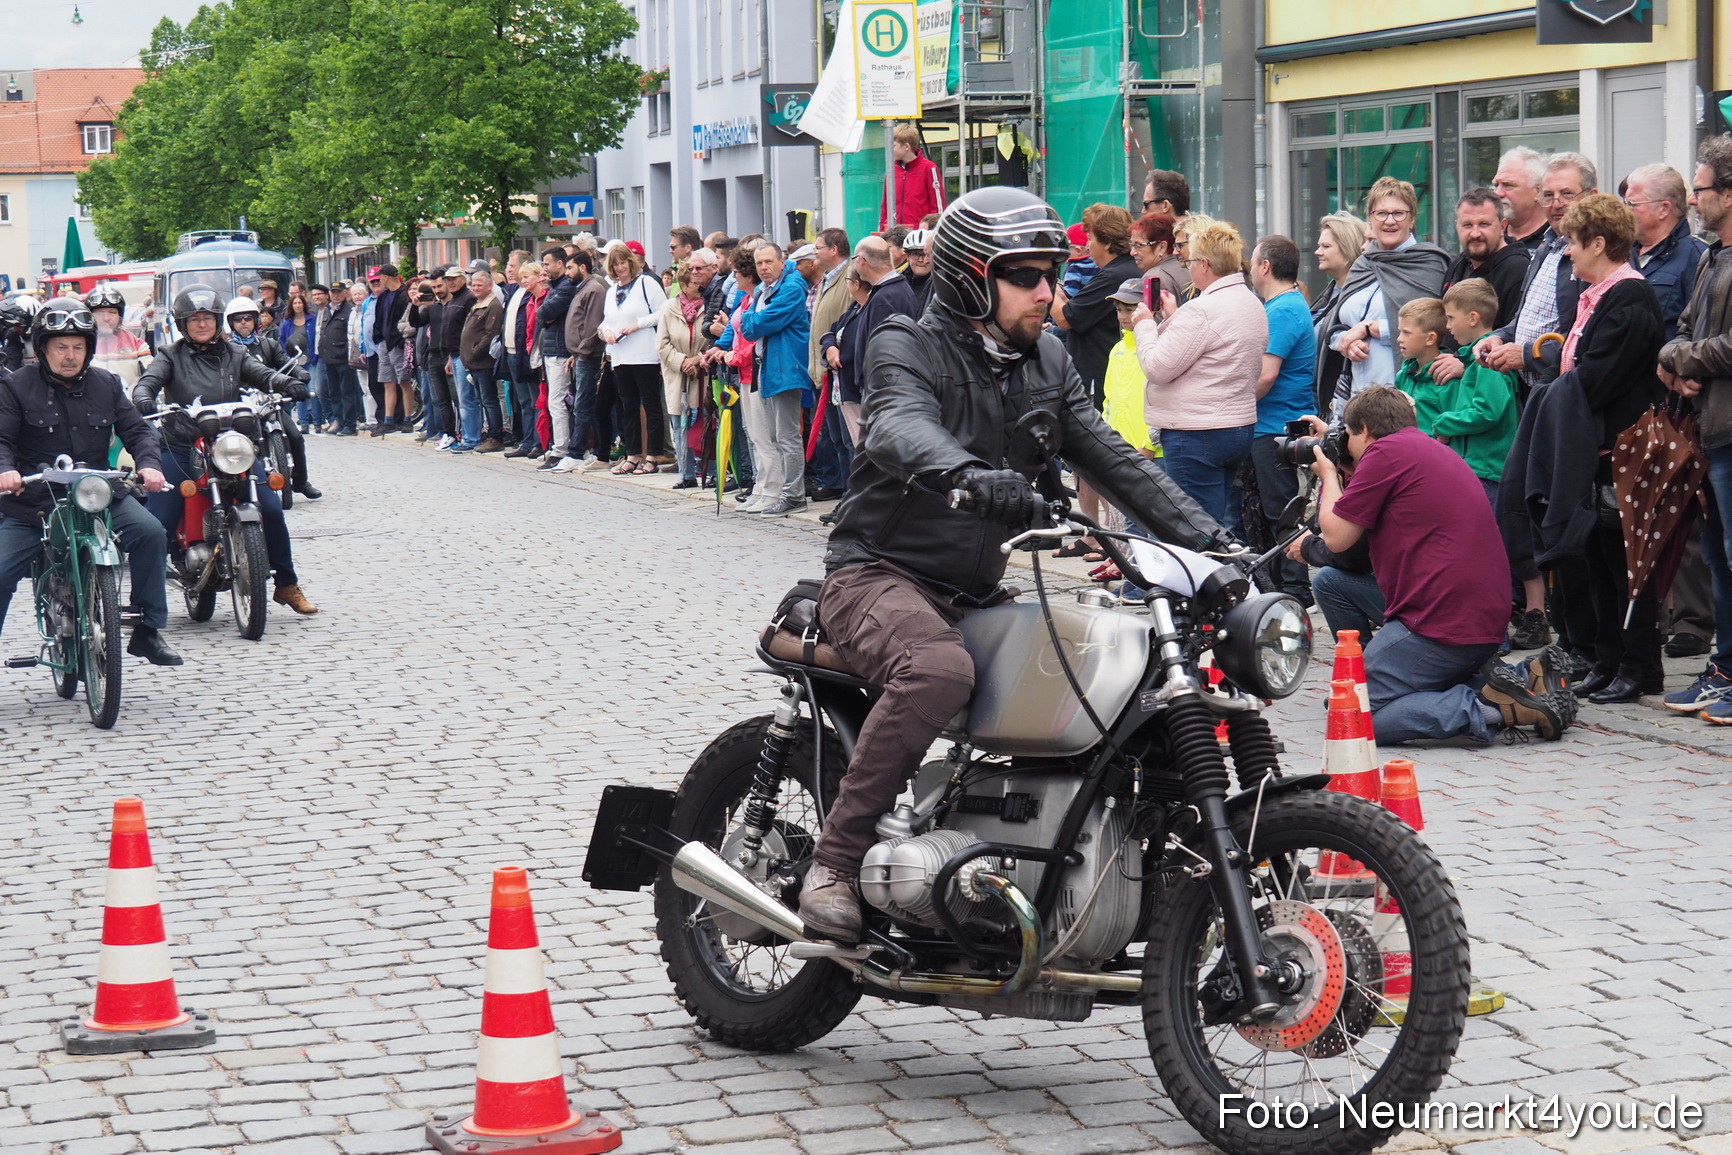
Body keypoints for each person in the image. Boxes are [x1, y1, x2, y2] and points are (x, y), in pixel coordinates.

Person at [800, 187, 1234, 942]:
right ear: (972, 275)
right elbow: (897, 425)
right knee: (937, 671)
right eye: (1028, 276)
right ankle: (834, 860)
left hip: (977, 586)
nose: (1048, 292)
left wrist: (1218, 547)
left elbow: (1116, 461)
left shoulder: (1048, 359)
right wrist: (964, 473)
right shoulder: (904, 340)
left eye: (1053, 274)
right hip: (877, 570)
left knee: (1103, 669)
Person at [1307, 387, 1572, 744]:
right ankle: (1527, 678)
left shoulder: (1385, 454)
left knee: (1351, 716)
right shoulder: (1426, 448)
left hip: (1440, 625)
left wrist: (1328, 475)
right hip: (1479, 619)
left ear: (1366, 429)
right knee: (1332, 582)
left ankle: (1492, 707)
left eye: (1349, 435)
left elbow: (1337, 538)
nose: (1347, 444)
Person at [1533, 193, 1665, 703]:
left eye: (1573, 243)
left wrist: (1553, 391)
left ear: (1600, 243)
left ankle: (1638, 666)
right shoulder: (1599, 294)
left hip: (1621, 453)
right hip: (1594, 449)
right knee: (1597, 558)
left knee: (1625, 563)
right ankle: (1608, 660)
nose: (1568, 253)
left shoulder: (1629, 297)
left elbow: (1598, 378)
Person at [0, 300, 180, 666]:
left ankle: (147, 630)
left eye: (78, 346)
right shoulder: (14, 386)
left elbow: (137, 431)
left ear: (89, 348)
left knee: (150, 532)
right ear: (43, 347)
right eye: (61, 347)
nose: (70, 356)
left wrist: (149, 466)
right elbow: (1, 438)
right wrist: (6, 470)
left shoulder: (107, 384)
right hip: (34, 502)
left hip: (96, 493)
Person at [131, 285, 319, 617]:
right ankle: (144, 602)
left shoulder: (234, 353)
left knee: (272, 511)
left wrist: (286, 382)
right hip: (182, 447)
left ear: (219, 321)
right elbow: (150, 380)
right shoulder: (169, 355)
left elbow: (260, 374)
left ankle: (287, 584)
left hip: (230, 446)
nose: (202, 324)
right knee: (158, 522)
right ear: (182, 323)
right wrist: (144, 395)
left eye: (208, 318)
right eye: (194, 319)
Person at [1659, 134, 1732, 722]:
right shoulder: (1711, 256)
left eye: (1700, 190)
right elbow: (1680, 328)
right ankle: (1725, 667)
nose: (1693, 201)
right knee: (1718, 556)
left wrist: (1684, 360)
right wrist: (1677, 360)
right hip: (1709, 429)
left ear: (1729, 194)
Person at [1133, 216, 1266, 536]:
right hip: (1235, 426)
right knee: (1218, 522)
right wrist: (1173, 319)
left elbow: (1157, 366)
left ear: (1204, 264)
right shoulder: (1249, 301)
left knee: (1195, 529)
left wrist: (1144, 324)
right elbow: (1210, 350)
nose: (1187, 267)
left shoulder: (1203, 309)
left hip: (1196, 432)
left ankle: (1203, 586)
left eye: (1190, 261)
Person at [1320, 177, 1449, 421]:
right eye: (1381, 213)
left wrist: (1370, 329)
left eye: (1399, 213)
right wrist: (1346, 341)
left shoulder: (1428, 263)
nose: (1389, 221)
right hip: (1356, 396)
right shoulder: (1363, 263)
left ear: (1412, 219)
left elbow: (1433, 328)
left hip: (1405, 397)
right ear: (1369, 219)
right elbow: (1337, 325)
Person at [1475, 153, 1599, 392]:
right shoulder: (1545, 249)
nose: (1556, 203)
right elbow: (1523, 320)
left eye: (1567, 194)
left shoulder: (1598, 254)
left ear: (1591, 196)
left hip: (1570, 393)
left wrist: (1527, 355)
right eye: (1548, 195)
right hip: (1532, 392)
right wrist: (1498, 338)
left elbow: (1587, 339)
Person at [1248, 234, 1317, 601]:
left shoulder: (1285, 309)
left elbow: (1266, 375)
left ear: (1266, 267)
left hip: (1277, 427)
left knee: (1281, 510)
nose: (1249, 268)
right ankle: (1280, 581)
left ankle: (1295, 586)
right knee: (1271, 509)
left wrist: (1234, 404)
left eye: (1252, 260)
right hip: (1272, 424)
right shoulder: (1281, 306)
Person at [732, 242, 811, 516]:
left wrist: (752, 316)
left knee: (787, 436)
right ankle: (781, 493)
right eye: (759, 263)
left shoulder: (789, 288)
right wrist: (753, 317)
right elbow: (750, 324)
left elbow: (754, 326)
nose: (764, 267)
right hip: (769, 368)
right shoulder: (765, 290)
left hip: (786, 368)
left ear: (780, 261)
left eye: (768, 262)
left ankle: (794, 495)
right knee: (774, 435)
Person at [224, 298, 320, 501]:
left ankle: (300, 480)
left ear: (255, 320)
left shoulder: (269, 344)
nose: (243, 322)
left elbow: (286, 363)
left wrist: (300, 372)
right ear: (231, 322)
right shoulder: (226, 349)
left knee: (294, 435)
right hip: (239, 406)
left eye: (248, 318)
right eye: (238, 319)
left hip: (268, 401)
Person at [1052, 204, 1139, 402]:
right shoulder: (1125, 268)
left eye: (1091, 238)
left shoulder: (1112, 276)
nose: (1088, 246)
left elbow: (1065, 319)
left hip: (1099, 377)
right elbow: (1078, 306)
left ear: (1107, 242)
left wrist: (1044, 284)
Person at [597, 244, 667, 475]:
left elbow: (663, 311)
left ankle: (652, 455)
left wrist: (638, 324)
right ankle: (633, 453)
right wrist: (607, 332)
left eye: (623, 263)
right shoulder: (611, 291)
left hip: (644, 353)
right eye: (615, 264)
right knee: (627, 406)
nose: (620, 268)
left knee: (650, 404)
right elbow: (607, 319)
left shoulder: (646, 283)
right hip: (620, 354)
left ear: (631, 262)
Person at [1626, 163, 1709, 340]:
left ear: (1664, 209)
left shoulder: (1697, 258)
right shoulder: (1621, 253)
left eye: (1632, 204)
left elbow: (1699, 331)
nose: (1624, 210)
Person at [1441, 188, 1529, 330]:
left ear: (1502, 226)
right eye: (1467, 225)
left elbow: (1513, 334)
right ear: (1457, 225)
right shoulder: (1458, 265)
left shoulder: (1517, 270)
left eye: (1484, 224)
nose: (1475, 233)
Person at [1309, 213, 1368, 417]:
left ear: (1347, 247)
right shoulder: (1330, 293)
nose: (1317, 252)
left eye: (1326, 246)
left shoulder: (1364, 298)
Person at [532, 248, 578, 470]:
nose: (545, 268)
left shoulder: (566, 287)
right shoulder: (555, 287)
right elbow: (543, 313)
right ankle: (559, 445)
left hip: (560, 350)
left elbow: (543, 313)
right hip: (551, 350)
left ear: (560, 264)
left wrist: (548, 315)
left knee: (557, 402)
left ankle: (561, 449)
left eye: (547, 264)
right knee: (554, 402)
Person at [453, 268, 505, 453]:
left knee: (489, 400)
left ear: (489, 286)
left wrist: (474, 352)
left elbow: (491, 334)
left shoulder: (493, 305)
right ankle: (489, 433)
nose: (475, 288)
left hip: (484, 362)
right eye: (473, 284)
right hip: (473, 362)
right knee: (483, 400)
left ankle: (496, 436)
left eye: (479, 285)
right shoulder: (479, 303)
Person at [370, 265, 414, 433]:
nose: (379, 280)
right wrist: (379, 337)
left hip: (398, 343)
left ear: (386, 277)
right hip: (384, 343)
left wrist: (399, 340)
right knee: (388, 381)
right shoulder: (384, 296)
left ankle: (407, 419)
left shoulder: (403, 295)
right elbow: (379, 320)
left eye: (380, 277)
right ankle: (388, 420)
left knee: (403, 381)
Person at [880, 125, 945, 229]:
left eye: (893, 146)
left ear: (906, 146)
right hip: (894, 234)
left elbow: (938, 206)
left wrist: (935, 232)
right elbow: (885, 206)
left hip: (919, 234)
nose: (889, 150)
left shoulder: (929, 168)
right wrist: (882, 231)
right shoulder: (891, 170)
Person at [86, 284, 150, 387]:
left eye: (112, 312)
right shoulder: (81, 344)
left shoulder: (137, 345)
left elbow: (152, 377)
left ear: (120, 316)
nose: (106, 318)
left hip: (129, 402)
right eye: (99, 312)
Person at [316, 285, 358, 436]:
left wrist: (348, 354)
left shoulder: (349, 310)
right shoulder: (327, 309)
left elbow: (350, 334)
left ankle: (349, 425)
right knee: (333, 392)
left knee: (346, 392)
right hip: (328, 357)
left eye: (339, 292)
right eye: (333, 293)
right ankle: (338, 421)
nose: (336, 295)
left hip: (342, 358)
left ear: (345, 293)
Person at [1494, 146, 1550, 252]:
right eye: (1496, 185)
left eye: (1508, 185)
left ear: (1539, 191)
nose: (1498, 193)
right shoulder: (1490, 238)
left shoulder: (1556, 240)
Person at [1131, 212, 1188, 303]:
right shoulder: (1188, 267)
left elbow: (1152, 316)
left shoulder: (1153, 279)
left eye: (1139, 245)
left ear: (1162, 247)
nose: (1132, 252)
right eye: (1132, 245)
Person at [900, 228, 936, 311]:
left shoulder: (940, 286)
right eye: (915, 254)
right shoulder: (897, 283)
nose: (921, 260)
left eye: (925, 254)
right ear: (907, 257)